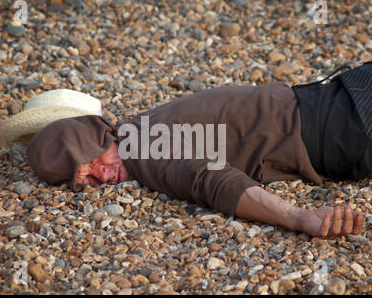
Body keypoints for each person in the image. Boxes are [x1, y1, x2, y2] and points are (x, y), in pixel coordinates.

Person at [25, 62, 372, 239]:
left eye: (91, 161)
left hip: (344, 128)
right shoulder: (137, 126)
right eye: (84, 180)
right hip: (338, 96)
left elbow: (210, 180)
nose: (101, 176)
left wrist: (297, 217)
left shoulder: (141, 149)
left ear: (97, 136)